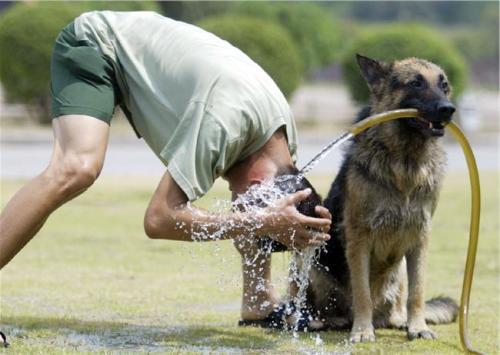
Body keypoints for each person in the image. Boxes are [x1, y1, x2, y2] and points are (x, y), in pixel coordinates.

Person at [0, 11, 331, 326]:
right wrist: (264, 219)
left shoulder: (281, 148)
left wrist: (292, 221)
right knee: (77, 168)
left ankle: (257, 300)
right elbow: (159, 219)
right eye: (250, 200)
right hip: (96, 42)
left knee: (254, 214)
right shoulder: (222, 124)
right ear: (260, 183)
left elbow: (254, 209)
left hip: (141, 53)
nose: (236, 199)